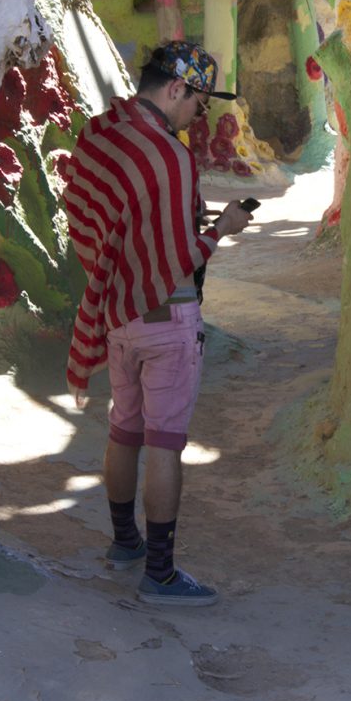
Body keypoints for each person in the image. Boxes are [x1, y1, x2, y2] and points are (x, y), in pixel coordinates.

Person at [64, 42, 252, 606]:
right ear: (177, 88)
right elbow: (179, 257)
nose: (200, 114)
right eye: (198, 102)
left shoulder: (102, 135)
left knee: (124, 428)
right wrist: (225, 228)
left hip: (117, 311)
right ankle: (162, 575)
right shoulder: (170, 157)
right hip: (165, 317)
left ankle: (126, 544)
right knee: (165, 444)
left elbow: (92, 214)